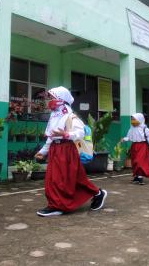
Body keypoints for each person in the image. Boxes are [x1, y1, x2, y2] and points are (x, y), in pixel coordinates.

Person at [34, 86, 107, 217]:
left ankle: (58, 206)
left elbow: (80, 132)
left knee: (62, 179)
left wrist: (66, 134)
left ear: (61, 99)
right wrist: (43, 152)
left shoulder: (70, 116)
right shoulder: (54, 116)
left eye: (52, 97)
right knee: (55, 179)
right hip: (55, 150)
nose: (49, 100)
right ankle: (96, 193)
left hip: (67, 150)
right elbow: (51, 137)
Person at [121, 113, 149, 185]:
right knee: (134, 162)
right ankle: (136, 177)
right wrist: (124, 139)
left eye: (134, 119)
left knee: (139, 162)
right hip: (134, 146)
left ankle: (140, 177)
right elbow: (129, 137)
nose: (132, 121)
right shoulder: (131, 129)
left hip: (143, 147)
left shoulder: (145, 129)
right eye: (132, 119)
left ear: (140, 119)